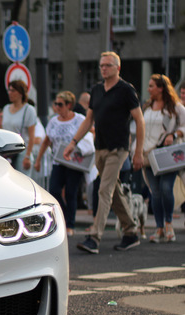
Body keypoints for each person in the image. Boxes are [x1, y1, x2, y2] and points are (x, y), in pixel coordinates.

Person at [64, 51, 145, 254]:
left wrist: (138, 152)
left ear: (118, 68)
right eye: (101, 65)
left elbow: (139, 120)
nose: (103, 68)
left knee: (104, 189)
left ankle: (95, 236)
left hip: (118, 149)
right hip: (100, 147)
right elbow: (88, 120)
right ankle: (131, 231)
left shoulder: (126, 90)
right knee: (113, 190)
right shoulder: (97, 90)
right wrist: (73, 142)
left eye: (107, 65)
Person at [139, 74, 185, 242]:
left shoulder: (175, 107)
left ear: (161, 88)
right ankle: (158, 228)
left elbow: (184, 125)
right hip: (148, 154)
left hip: (166, 154)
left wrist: (174, 133)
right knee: (155, 193)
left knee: (166, 189)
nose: (148, 89)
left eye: (151, 86)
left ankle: (168, 224)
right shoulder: (147, 106)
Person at [35, 91, 87, 236]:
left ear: (69, 105)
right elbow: (46, 141)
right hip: (58, 161)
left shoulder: (79, 119)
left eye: (60, 104)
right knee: (54, 190)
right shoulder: (53, 121)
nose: (57, 107)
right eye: (55, 104)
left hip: (74, 161)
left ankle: (70, 224)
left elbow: (91, 132)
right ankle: (63, 217)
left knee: (71, 192)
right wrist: (38, 160)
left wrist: (80, 147)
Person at [2, 80, 37, 175]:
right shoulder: (6, 108)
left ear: (21, 93)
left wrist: (28, 156)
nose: (10, 93)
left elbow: (31, 136)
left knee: (23, 185)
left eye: (13, 91)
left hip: (22, 153)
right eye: (9, 90)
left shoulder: (29, 110)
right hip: (8, 152)